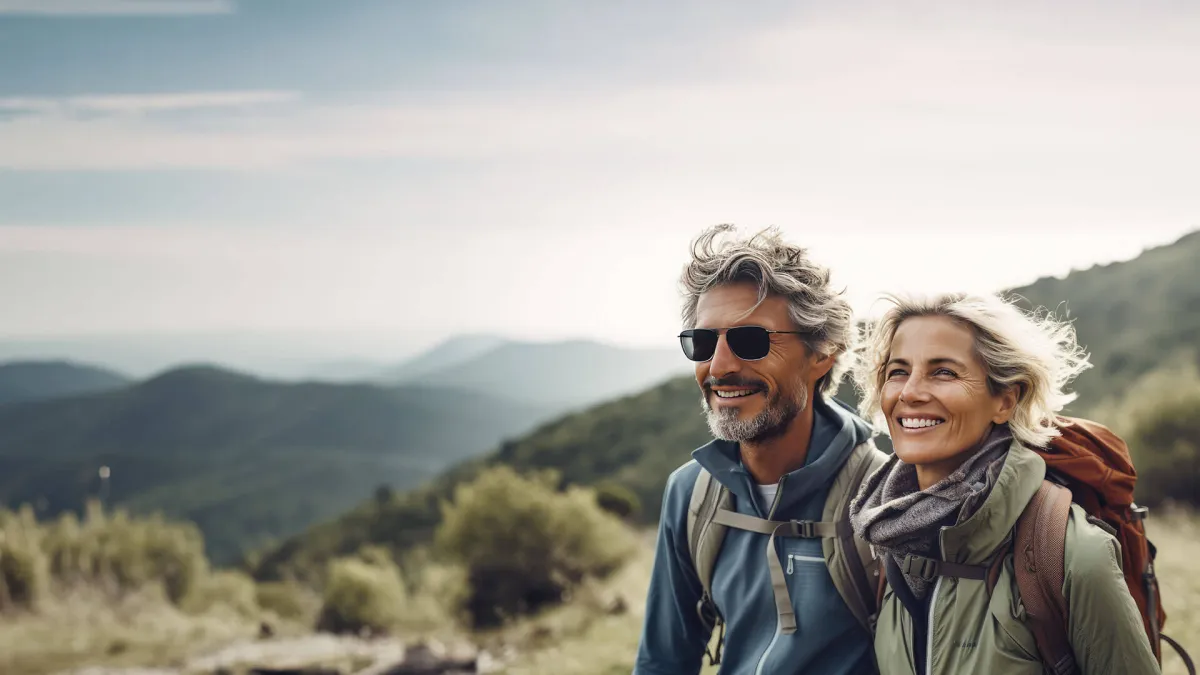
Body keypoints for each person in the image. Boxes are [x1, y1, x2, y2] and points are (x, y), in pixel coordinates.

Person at [848, 292, 1161, 675]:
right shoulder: (882, 537)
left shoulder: (1072, 555)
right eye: (898, 371)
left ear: (1005, 400)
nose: (910, 392)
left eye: (943, 371)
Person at [633, 224, 888, 675]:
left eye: (752, 341)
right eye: (703, 342)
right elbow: (664, 660)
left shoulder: (883, 495)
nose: (721, 365)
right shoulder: (692, 494)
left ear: (822, 354)